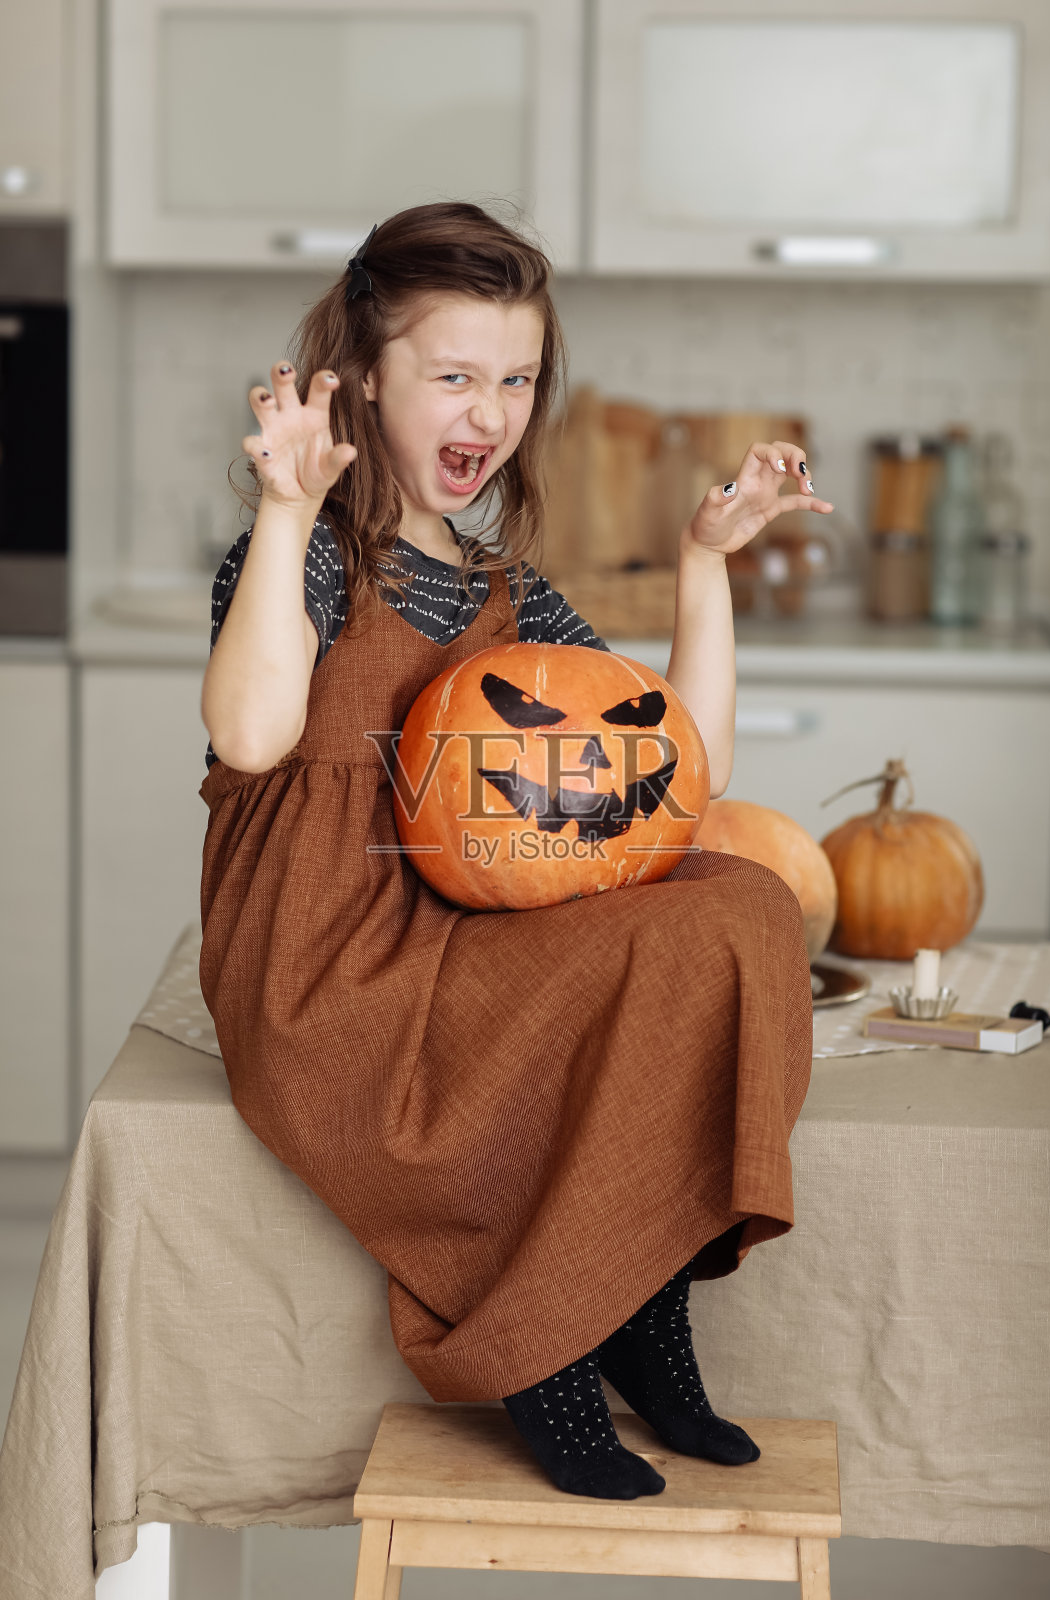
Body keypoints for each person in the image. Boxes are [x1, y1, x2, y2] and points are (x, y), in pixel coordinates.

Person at [198, 201, 831, 1503]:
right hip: (330, 961)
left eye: (518, 380)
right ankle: (550, 1340)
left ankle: (646, 1301)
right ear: (365, 378)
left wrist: (704, 563)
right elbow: (251, 736)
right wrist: (285, 510)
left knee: (739, 905)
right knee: (667, 952)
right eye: (454, 377)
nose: (489, 413)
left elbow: (684, 774)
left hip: (470, 927)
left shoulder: (509, 594)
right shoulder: (306, 554)